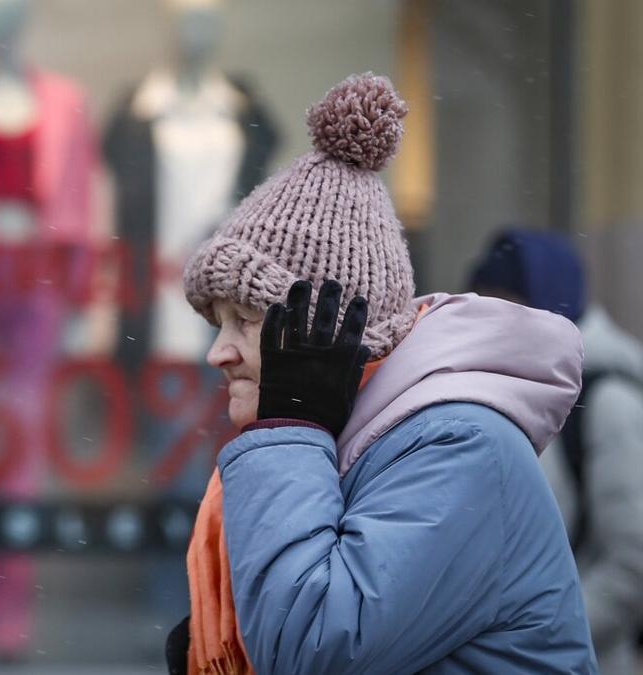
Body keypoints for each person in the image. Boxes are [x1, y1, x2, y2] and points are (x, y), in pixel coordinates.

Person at [169, 73, 596, 674]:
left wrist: (292, 427)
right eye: (219, 322)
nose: (219, 351)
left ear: (327, 331)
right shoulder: (346, 443)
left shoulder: (460, 445)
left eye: (243, 319)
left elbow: (314, 651)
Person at [471, 228, 643, 675]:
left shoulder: (607, 403)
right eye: (484, 306)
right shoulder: (502, 393)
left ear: (548, 303)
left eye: (510, 305)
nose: (493, 326)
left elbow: (633, 563)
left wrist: (537, 639)